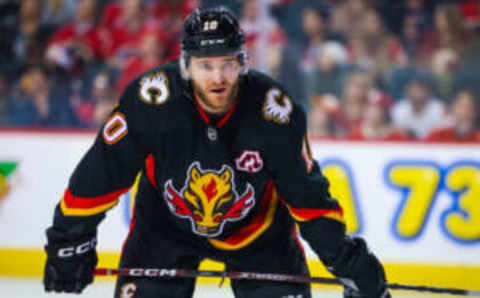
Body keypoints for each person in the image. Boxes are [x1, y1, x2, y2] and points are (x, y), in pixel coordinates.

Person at [43, 7, 390, 298]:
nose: (218, 77)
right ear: (186, 66)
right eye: (205, 65)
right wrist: (70, 238)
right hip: (164, 229)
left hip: (259, 234)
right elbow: (102, 173)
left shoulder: (274, 111)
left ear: (243, 63)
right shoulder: (151, 100)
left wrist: (349, 261)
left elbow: (307, 197)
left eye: (227, 63)